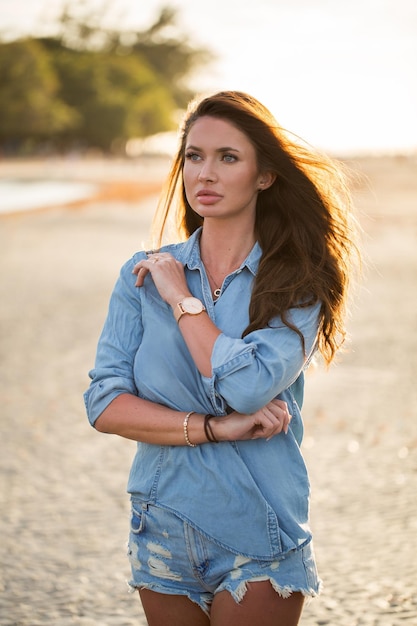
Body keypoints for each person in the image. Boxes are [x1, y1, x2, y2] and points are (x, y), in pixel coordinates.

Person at [84, 90, 358, 626]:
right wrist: (217, 429)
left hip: (259, 527)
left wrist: (182, 302)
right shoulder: (142, 274)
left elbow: (249, 387)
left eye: (227, 157)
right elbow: (104, 404)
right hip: (161, 519)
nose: (204, 173)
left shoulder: (296, 282)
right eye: (193, 156)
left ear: (265, 176)